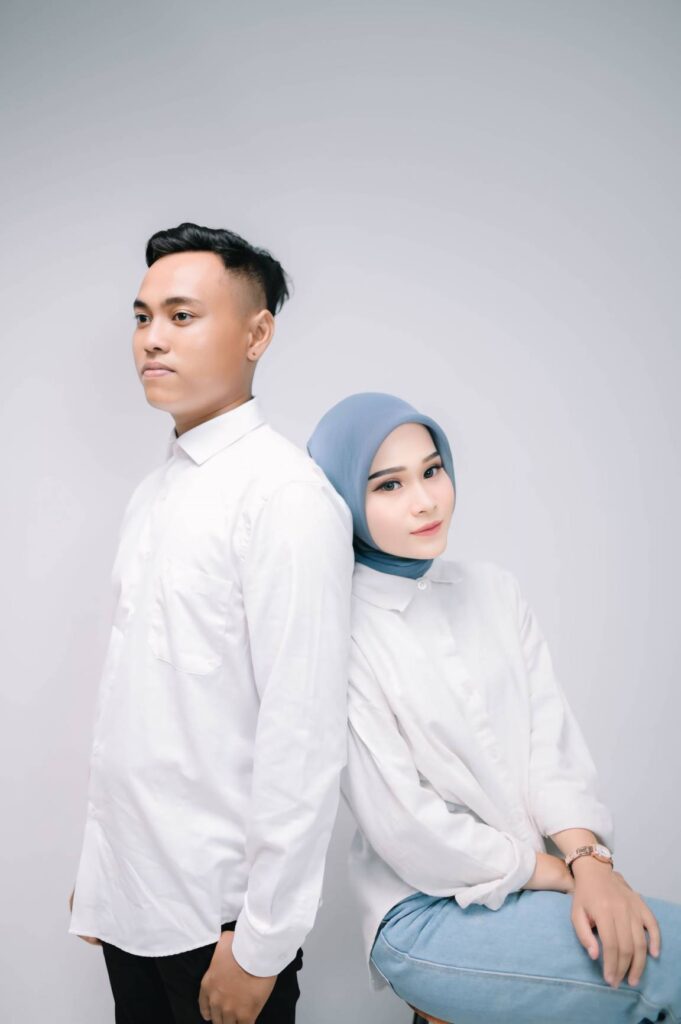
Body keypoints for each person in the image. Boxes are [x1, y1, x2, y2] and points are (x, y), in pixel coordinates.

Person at [307, 391, 681, 1024]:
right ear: (342, 499)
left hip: (540, 882)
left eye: (432, 471)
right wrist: (559, 874)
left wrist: (589, 860)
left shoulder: (494, 591)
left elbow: (549, 749)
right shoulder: (340, 633)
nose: (425, 500)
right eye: (389, 485)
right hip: (425, 910)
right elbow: (407, 827)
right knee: (667, 968)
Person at [68, 222, 354, 1024]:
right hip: (135, 900)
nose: (151, 339)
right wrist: (102, 873)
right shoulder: (154, 492)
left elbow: (303, 737)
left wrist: (260, 945)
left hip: (219, 922)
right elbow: (141, 706)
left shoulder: (284, 498)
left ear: (257, 334)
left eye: (182, 316)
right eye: (142, 316)